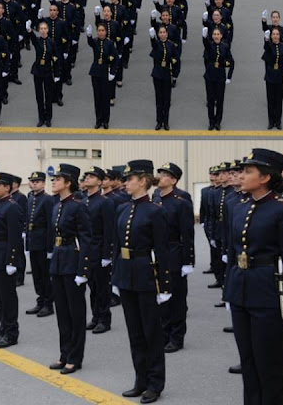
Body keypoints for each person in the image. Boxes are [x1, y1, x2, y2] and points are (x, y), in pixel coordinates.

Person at [224, 149, 283, 405]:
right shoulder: (239, 208)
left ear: (265, 177)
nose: (241, 176)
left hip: (269, 295)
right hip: (241, 291)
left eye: (248, 172)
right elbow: (233, 252)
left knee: (271, 366)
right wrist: (229, 291)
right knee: (249, 363)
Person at [112, 160, 170, 404]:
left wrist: (164, 286)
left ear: (144, 181)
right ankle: (141, 380)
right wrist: (116, 277)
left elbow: (163, 250)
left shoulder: (155, 211)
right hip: (126, 274)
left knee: (151, 332)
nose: (126, 183)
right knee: (135, 332)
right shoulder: (122, 209)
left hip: (146, 274)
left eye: (130, 179)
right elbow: (116, 245)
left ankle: (155, 383)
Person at [48, 163, 92, 375]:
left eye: (57, 179)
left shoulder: (78, 206)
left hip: (72, 262)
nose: (53, 182)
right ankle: (64, 353)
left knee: (75, 313)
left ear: (68, 183)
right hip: (59, 261)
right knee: (62, 313)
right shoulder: (57, 205)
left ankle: (75, 357)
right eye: (54, 179)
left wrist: (83, 271)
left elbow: (86, 239)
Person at [153, 163, 195, 353]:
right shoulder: (155, 198)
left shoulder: (180, 202)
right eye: (160, 173)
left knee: (176, 299)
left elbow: (187, 234)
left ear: (173, 180)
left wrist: (188, 261)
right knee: (161, 297)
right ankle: (163, 334)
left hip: (174, 253)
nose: (160, 177)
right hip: (158, 254)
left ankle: (177, 337)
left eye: (165, 175)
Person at [0, 172, 23, 348]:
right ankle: (3, 329)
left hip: (5, 256)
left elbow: (15, 237)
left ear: (7, 187)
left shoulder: (12, 207)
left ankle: (11, 332)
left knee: (8, 298)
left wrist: (12, 261)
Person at [82, 166, 115, 335]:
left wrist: (107, 255)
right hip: (86, 250)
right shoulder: (83, 201)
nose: (87, 178)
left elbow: (109, 230)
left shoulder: (105, 202)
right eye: (86, 176)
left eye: (92, 176)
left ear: (100, 181)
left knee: (102, 287)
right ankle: (95, 316)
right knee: (92, 286)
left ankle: (104, 319)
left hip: (99, 249)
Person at [25, 172, 54, 317]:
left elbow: (50, 225)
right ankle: (40, 300)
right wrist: (27, 243)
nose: (34, 184)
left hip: (43, 242)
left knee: (45, 275)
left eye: (37, 181)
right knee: (36, 275)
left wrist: (50, 247)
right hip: (33, 241)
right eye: (33, 181)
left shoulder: (47, 199)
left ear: (43, 183)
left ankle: (48, 304)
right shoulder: (31, 198)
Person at [86, 23, 119, 129]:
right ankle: (98, 120)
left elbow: (116, 59)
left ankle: (106, 120)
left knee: (105, 97)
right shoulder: (95, 41)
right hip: (95, 72)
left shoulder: (110, 43)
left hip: (105, 72)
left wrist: (112, 72)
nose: (100, 33)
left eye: (102, 30)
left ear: (106, 32)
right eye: (99, 30)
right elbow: (90, 42)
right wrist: (89, 35)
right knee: (97, 97)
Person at [28, 20, 59, 127]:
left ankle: (48, 118)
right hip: (37, 71)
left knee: (48, 96)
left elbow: (56, 58)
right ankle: (41, 118)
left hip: (48, 71)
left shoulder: (52, 42)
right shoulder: (37, 41)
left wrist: (57, 74)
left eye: (45, 28)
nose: (43, 30)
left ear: (48, 30)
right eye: (41, 29)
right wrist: (29, 30)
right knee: (39, 96)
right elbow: (32, 38)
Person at [202, 26, 234, 131]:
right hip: (210, 76)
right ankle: (211, 122)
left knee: (220, 100)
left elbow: (231, 61)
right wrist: (204, 37)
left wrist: (229, 76)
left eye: (218, 34)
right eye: (214, 34)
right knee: (210, 100)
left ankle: (218, 122)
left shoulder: (225, 46)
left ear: (221, 36)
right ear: (212, 36)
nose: (216, 36)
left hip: (220, 76)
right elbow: (205, 43)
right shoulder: (209, 45)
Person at [149, 25, 180, 130]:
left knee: (167, 100)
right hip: (157, 74)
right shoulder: (156, 44)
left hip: (167, 74)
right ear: (158, 34)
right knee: (159, 99)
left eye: (164, 32)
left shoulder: (171, 45)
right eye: (160, 32)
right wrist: (152, 37)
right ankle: (159, 121)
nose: (162, 34)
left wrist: (175, 74)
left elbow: (176, 60)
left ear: (167, 34)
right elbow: (153, 44)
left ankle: (166, 121)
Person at [261, 28, 283, 130]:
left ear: (279, 36)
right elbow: (266, 47)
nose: (275, 36)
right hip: (270, 77)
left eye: (277, 34)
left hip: (279, 77)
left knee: (279, 101)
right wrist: (266, 39)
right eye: (273, 34)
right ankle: (271, 122)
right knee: (270, 100)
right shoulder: (269, 46)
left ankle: (278, 121)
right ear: (271, 36)